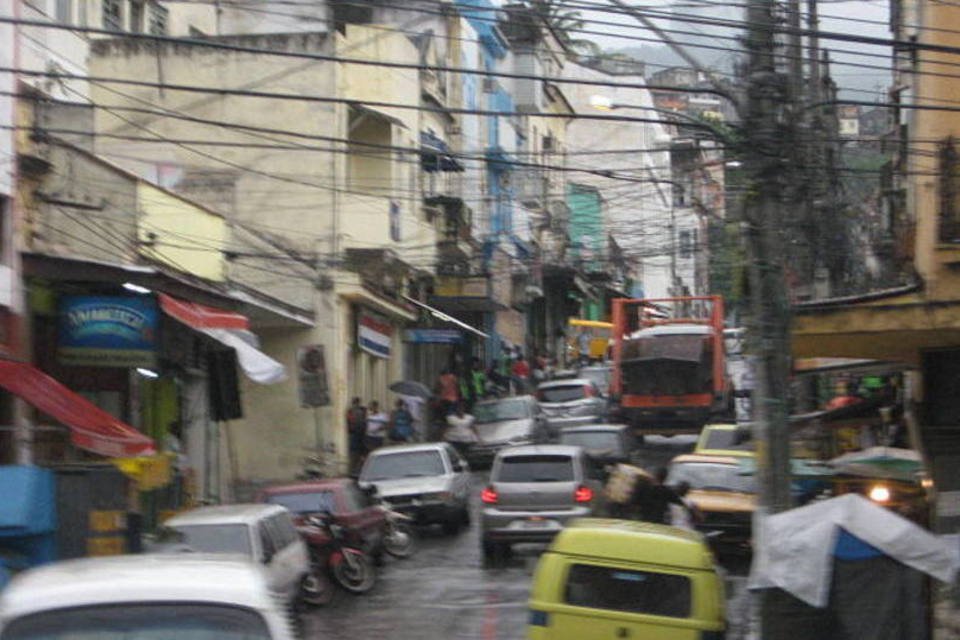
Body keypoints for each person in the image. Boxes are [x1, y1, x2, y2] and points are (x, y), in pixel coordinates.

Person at [346, 397, 368, 472]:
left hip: (354, 434)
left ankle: (354, 469)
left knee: (354, 453)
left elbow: (348, 422)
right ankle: (359, 468)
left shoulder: (351, 411)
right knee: (361, 453)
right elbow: (365, 421)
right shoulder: (362, 410)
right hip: (361, 434)